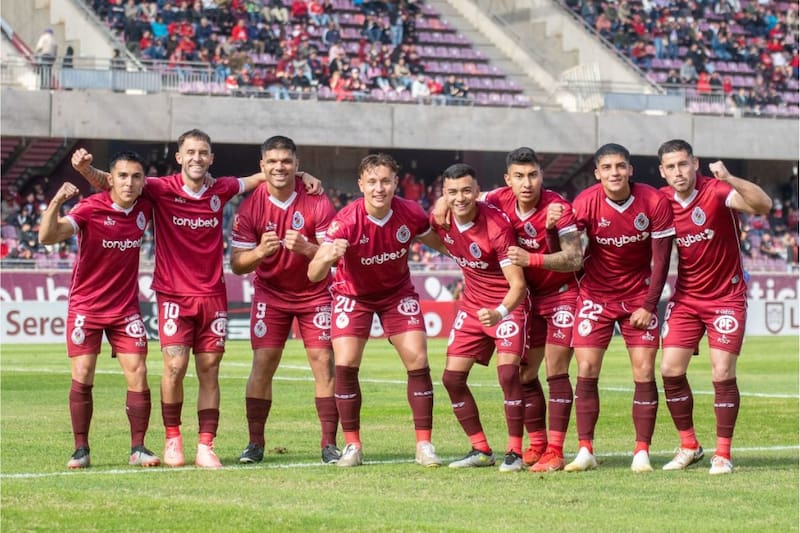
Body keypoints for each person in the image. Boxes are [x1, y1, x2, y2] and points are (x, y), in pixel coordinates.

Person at [72, 130, 321, 469]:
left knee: (209, 370)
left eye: (203, 152)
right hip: (173, 294)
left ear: (211, 158)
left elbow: (256, 177)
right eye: (190, 152)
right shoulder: (160, 188)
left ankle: (206, 444)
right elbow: (116, 184)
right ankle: (173, 438)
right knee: (174, 367)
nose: (197, 158)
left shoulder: (221, 189)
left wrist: (300, 175)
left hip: (213, 295)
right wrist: (87, 171)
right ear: (179, 157)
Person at [307, 153, 448, 468]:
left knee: (418, 358)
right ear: (361, 185)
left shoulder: (410, 213)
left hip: (397, 294)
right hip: (353, 295)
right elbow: (314, 274)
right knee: (344, 363)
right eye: (372, 182)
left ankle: (424, 444)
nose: (379, 188)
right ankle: (353, 446)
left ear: (396, 182)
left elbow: (440, 244)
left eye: (385, 181)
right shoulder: (345, 220)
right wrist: (327, 255)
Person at [657, 139, 772, 475]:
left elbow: (762, 204)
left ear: (695, 163)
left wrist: (731, 178)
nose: (678, 172)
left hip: (726, 298)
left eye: (683, 164)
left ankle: (723, 454)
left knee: (722, 372)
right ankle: (690, 446)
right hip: (686, 299)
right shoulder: (661, 200)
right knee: (670, 370)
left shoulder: (719, 191)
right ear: (663, 172)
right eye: (671, 167)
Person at [38, 151, 159, 469]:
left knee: (139, 373)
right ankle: (81, 449)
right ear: (110, 180)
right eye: (122, 176)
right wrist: (56, 202)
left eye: (135, 177)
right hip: (86, 307)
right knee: (82, 376)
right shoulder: (91, 208)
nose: (129, 183)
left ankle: (139, 448)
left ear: (143, 181)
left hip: (125, 309)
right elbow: (46, 236)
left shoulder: (145, 207)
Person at [230, 135, 340, 465]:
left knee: (324, 364)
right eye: (273, 162)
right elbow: (236, 264)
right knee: (263, 365)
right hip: (271, 294)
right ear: (262, 167)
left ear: (297, 164)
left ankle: (329, 444)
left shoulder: (317, 200)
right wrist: (260, 253)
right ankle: (254, 443)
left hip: (315, 293)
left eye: (287, 161)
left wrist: (307, 249)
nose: (280, 167)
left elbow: (332, 256)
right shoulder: (250, 206)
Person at [565, 143, 675, 474]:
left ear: (630, 170)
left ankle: (641, 451)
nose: (614, 172)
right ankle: (585, 449)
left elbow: (661, 261)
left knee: (643, 371)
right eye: (607, 167)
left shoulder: (654, 201)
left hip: (639, 297)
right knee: (585, 371)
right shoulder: (585, 202)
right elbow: (569, 251)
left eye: (620, 166)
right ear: (597, 174)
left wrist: (648, 304)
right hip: (595, 297)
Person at [429, 163, 529, 472]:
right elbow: (426, 234)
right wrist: (439, 206)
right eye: (452, 192)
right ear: (443, 194)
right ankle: (480, 449)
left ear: (477, 191)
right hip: (472, 306)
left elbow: (519, 285)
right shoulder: (439, 218)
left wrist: (499, 312)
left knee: (509, 375)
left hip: (505, 307)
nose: (460, 198)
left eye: (466, 191)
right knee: (451, 378)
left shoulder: (496, 227)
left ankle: (515, 452)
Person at [489, 147, 584, 473]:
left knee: (555, 369)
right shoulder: (496, 199)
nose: (526, 182)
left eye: (532, 175)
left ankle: (555, 451)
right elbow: (465, 195)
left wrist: (533, 259)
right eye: (519, 176)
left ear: (542, 175)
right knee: (525, 373)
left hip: (561, 295)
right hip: (527, 300)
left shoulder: (559, 208)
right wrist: (444, 203)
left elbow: (575, 258)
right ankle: (539, 443)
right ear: (508, 180)